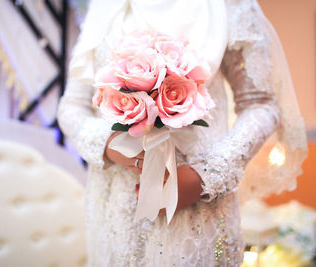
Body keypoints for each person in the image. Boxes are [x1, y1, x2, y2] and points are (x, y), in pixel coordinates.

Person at [57, 0, 308, 266]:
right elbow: (72, 105)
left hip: (198, 207)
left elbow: (260, 103)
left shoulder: (231, 5)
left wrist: (205, 176)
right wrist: (110, 144)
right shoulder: (105, 5)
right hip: (115, 209)